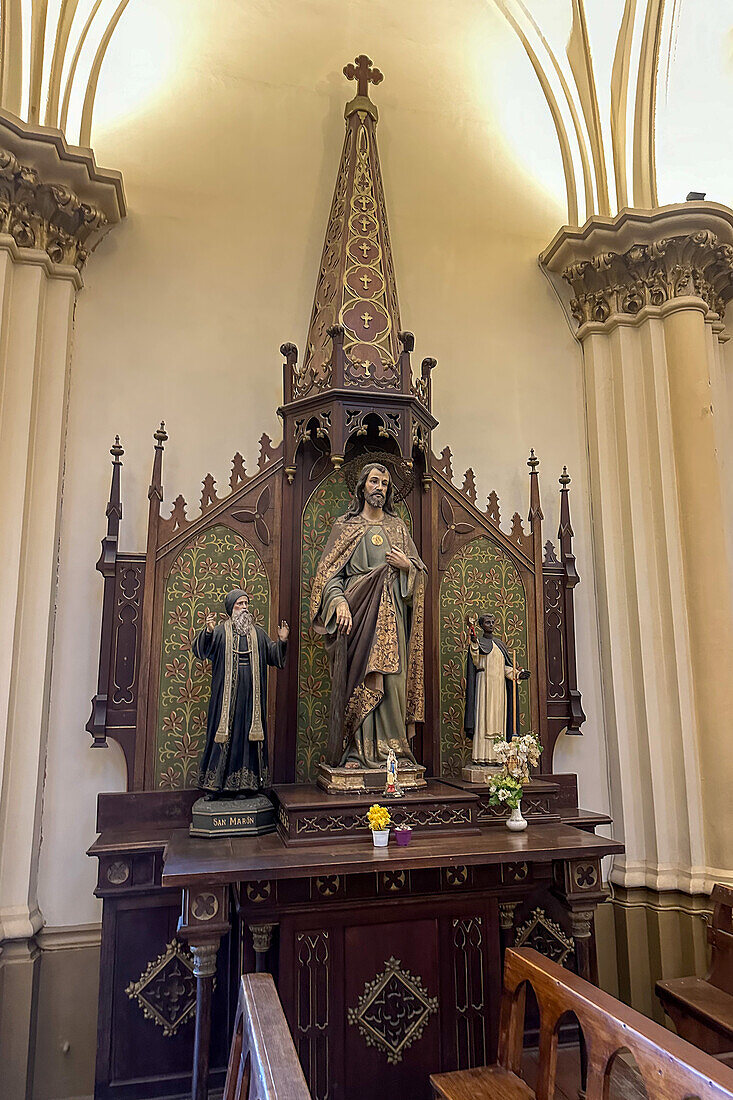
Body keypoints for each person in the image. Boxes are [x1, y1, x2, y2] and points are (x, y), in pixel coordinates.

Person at [310, 462, 426, 769]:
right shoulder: (345, 528)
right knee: (360, 681)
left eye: (385, 484)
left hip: (393, 617)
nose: (380, 488)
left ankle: (395, 753)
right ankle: (356, 754)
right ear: (362, 487)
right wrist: (339, 602)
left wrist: (406, 566)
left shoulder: (397, 528)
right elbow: (328, 578)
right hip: (358, 616)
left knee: (394, 683)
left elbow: (420, 578)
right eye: (374, 481)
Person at [193, 588, 288, 799]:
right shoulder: (219, 631)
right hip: (224, 698)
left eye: (246, 604)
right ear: (231, 609)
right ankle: (214, 786)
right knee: (222, 738)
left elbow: (274, 656)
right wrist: (207, 632)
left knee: (245, 740)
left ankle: (244, 787)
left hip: (250, 698)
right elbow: (202, 651)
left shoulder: (258, 633)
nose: (245, 608)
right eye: (240, 604)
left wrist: (281, 642)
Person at [463, 611, 529, 764]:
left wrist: (518, 674)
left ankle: (498, 758)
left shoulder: (500, 646)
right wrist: (473, 643)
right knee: (483, 721)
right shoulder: (478, 644)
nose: (491, 625)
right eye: (487, 622)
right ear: (480, 625)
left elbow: (506, 668)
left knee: (498, 722)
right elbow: (476, 661)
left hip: (499, 690)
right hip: (484, 688)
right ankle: (482, 757)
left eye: (493, 622)